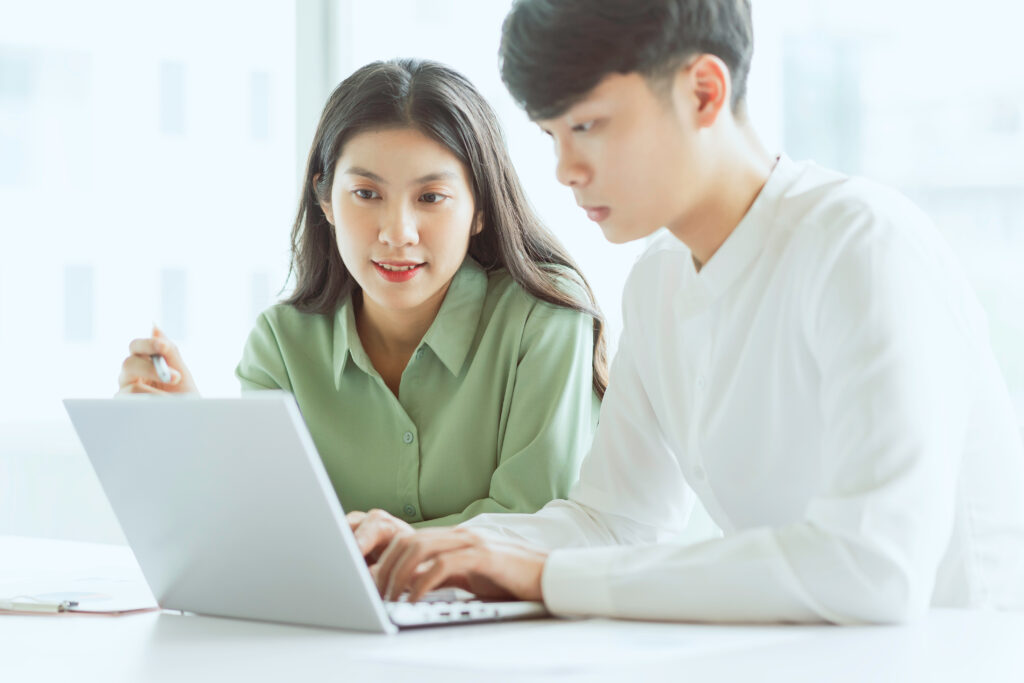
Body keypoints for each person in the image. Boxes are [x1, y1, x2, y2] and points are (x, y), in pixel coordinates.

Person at [354, 0, 1024, 623]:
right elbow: (611, 521)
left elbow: (873, 565)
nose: (564, 169)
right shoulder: (659, 282)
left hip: (952, 653)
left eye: (587, 125)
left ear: (704, 91)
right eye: (551, 134)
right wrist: (431, 546)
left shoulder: (861, 244)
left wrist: (547, 576)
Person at [116, 58, 606, 528]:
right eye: (366, 194)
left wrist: (359, 554)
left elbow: (533, 523)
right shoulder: (281, 345)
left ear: (480, 209)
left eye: (431, 197)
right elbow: (269, 531)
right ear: (326, 200)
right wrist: (190, 439)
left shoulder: (543, 319)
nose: (398, 232)